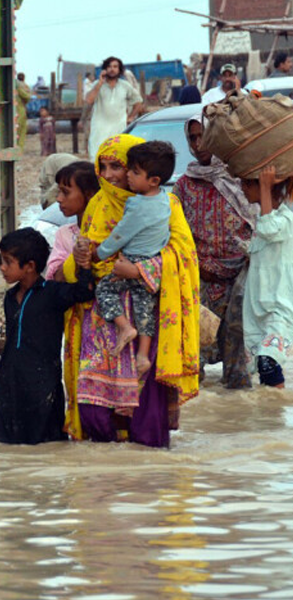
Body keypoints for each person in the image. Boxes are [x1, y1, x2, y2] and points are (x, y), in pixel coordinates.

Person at [62, 134, 199, 447]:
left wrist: (138, 270)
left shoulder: (169, 204)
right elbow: (83, 263)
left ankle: (145, 482)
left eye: (118, 166)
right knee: (95, 410)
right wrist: (81, 259)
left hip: (146, 310)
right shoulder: (97, 205)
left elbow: (185, 255)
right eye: (103, 166)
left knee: (144, 412)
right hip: (101, 317)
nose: (109, 175)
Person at [0, 228, 94, 444]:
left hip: (42, 388)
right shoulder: (9, 297)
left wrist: (85, 264)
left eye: (7, 262)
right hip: (9, 387)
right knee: (7, 450)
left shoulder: (52, 293)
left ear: (30, 267)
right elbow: (11, 341)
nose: (2, 268)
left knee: (46, 446)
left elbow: (85, 291)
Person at [172, 114, 255, 389]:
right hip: (201, 277)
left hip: (241, 276)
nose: (198, 143)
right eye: (192, 138)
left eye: (203, 135)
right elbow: (176, 233)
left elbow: (260, 222)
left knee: (238, 358)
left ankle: (238, 423)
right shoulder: (185, 185)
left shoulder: (241, 175)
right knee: (191, 354)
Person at [92, 141, 174, 377]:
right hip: (152, 268)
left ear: (154, 180)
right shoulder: (166, 200)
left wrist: (100, 253)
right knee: (144, 309)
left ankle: (125, 327)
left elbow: (120, 234)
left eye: (132, 171)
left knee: (104, 290)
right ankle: (143, 355)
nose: (125, 175)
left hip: (131, 261)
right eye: (102, 167)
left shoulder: (136, 204)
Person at [239, 166, 293, 388]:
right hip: (257, 309)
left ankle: (277, 413)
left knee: (268, 362)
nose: (242, 188)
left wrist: (264, 184)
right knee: (263, 368)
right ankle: (271, 417)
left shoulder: (286, 219)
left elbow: (269, 228)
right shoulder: (263, 223)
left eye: (247, 183)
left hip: (278, 307)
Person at [46, 161, 100, 281]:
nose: (59, 199)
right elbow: (54, 279)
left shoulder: (107, 232)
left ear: (90, 195)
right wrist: (75, 259)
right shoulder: (64, 234)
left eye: (65, 192)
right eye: (59, 191)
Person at [85, 57, 143, 157]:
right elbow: (89, 100)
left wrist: (131, 117)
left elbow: (138, 102)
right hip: (99, 129)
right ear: (104, 69)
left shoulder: (125, 86)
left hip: (119, 128)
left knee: (117, 157)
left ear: (119, 69)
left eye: (115, 67)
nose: (112, 69)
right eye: (109, 66)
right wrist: (99, 83)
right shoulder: (96, 85)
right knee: (97, 157)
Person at [16, 72, 31, 151]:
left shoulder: (15, 84)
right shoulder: (22, 86)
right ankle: (19, 149)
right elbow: (27, 97)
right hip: (20, 109)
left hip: (17, 108)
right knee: (21, 130)